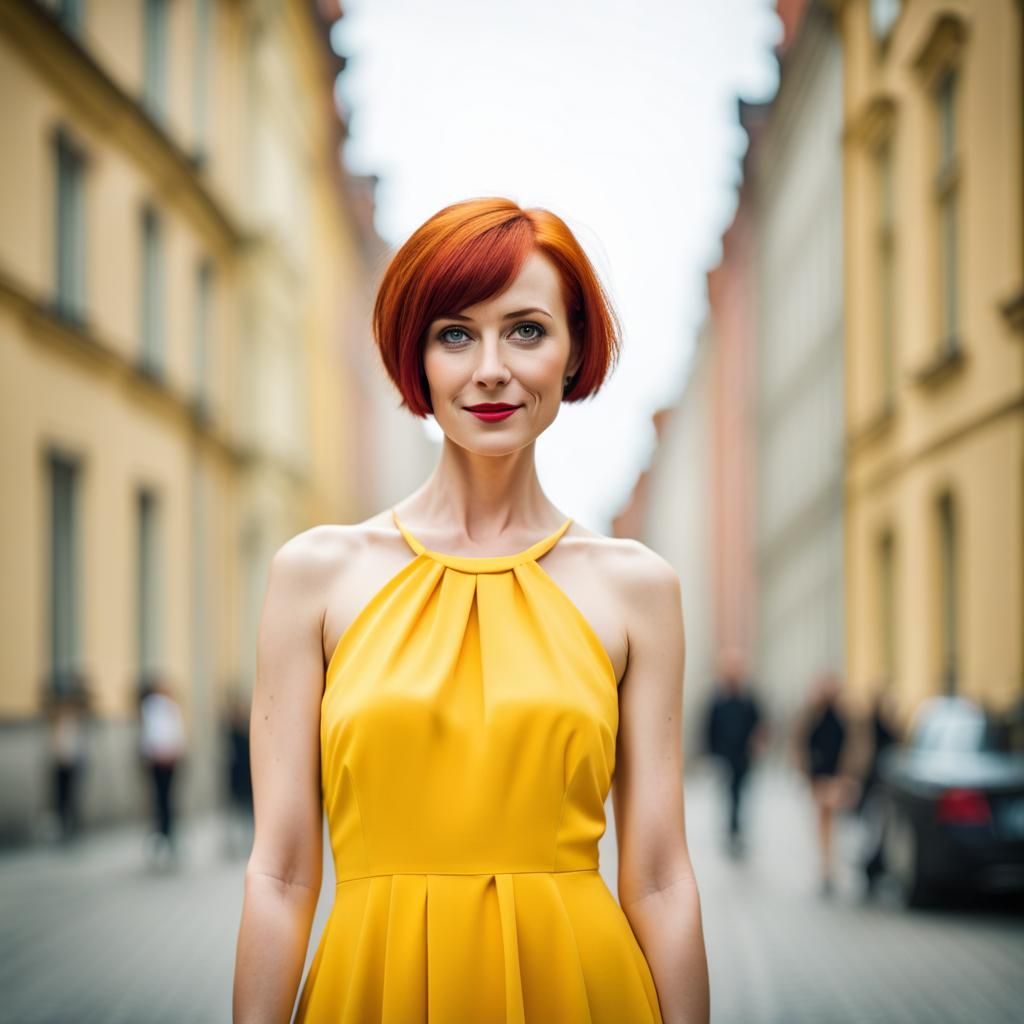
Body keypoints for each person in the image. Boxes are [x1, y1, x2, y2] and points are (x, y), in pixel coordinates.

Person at [233, 197, 709, 1024]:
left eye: (526, 330)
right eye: (456, 333)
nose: (491, 367)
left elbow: (662, 873)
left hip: (582, 992)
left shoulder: (638, 589)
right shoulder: (315, 575)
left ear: (573, 354)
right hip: (371, 988)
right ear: (416, 358)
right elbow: (279, 871)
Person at [791, 670, 853, 898]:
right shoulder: (812, 714)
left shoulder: (845, 715)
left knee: (830, 821)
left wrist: (849, 775)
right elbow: (800, 742)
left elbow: (854, 746)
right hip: (819, 776)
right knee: (824, 820)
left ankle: (829, 866)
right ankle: (827, 867)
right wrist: (804, 771)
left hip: (837, 775)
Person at [703, 648, 766, 856]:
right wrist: (712, 754)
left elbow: (760, 724)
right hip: (725, 755)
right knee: (729, 795)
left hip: (743, 757)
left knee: (740, 794)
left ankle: (737, 830)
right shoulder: (717, 700)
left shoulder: (748, 699)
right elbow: (708, 728)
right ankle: (732, 831)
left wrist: (757, 744)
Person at [856, 683, 900, 895]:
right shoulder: (869, 726)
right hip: (874, 787)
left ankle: (877, 868)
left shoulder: (894, 726)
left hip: (889, 788)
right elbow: (860, 756)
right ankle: (869, 869)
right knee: (873, 831)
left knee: (882, 832)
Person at [138, 676, 187, 867]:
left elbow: (176, 734)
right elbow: (152, 735)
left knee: (166, 800)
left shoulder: (170, 707)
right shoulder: (152, 707)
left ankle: (167, 836)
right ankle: (162, 836)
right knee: (161, 800)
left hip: (169, 760)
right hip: (159, 761)